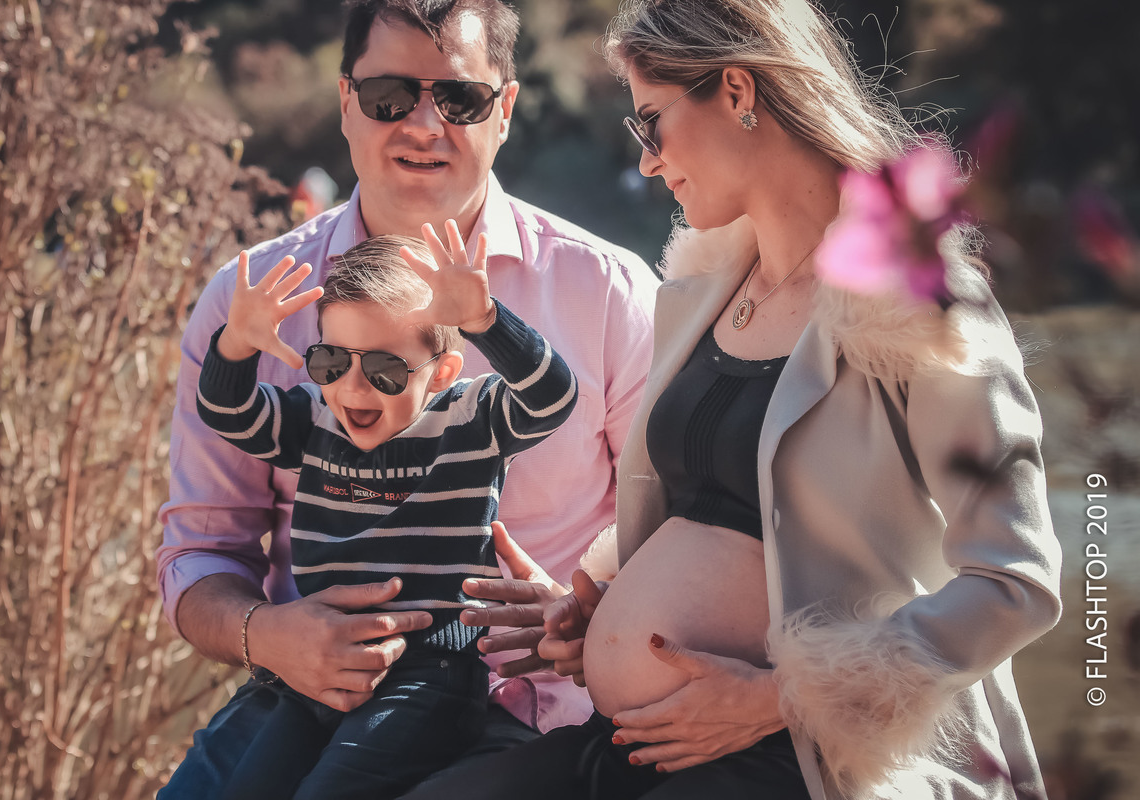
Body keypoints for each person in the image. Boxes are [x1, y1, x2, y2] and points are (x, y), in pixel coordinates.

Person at [401, 1, 1063, 799]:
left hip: (805, 762)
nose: (646, 162)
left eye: (652, 124)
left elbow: (1017, 582)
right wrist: (600, 614)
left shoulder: (914, 298)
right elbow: (720, 516)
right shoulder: (705, 289)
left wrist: (784, 698)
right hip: (635, 745)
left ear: (739, 91)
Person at [156, 0, 658, 795]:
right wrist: (268, 634)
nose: (424, 124)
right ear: (346, 103)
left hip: (550, 713)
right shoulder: (250, 304)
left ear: (506, 113)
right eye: (391, 96)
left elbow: (683, 527)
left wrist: (590, 615)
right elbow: (199, 553)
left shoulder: (610, 294)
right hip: (314, 696)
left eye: (459, 100)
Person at [191, 227, 577, 799]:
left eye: (385, 371)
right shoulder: (315, 420)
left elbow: (552, 396)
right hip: (317, 658)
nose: (351, 388)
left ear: (441, 372)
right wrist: (236, 344)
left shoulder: (471, 418)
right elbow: (229, 411)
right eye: (328, 362)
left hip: (429, 672)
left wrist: (485, 319)